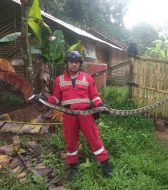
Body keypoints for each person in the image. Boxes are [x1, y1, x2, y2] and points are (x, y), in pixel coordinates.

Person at [31, 50, 112, 181]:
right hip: (69, 116)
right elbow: (56, 99)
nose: (73, 65)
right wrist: (43, 98)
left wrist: (101, 105)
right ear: (67, 64)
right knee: (71, 143)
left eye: (76, 62)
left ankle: (105, 165)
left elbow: (94, 96)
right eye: (71, 62)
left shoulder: (88, 78)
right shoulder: (59, 80)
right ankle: (73, 168)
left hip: (86, 114)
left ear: (80, 64)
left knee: (94, 139)